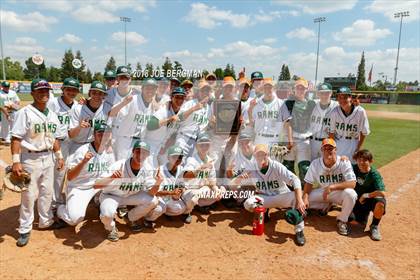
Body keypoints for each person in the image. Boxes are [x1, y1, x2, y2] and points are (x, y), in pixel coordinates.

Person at [11, 78, 67, 247]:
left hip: (48, 157)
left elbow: (55, 138)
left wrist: (59, 156)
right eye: (40, 90)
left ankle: (46, 221)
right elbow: (16, 138)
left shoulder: (51, 114)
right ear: (33, 93)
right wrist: (16, 162)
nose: (44, 93)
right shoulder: (25, 112)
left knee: (47, 192)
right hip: (30, 158)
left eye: (46, 91)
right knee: (28, 195)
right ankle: (24, 228)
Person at [236, 144, 306, 246]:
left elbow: (295, 179)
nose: (260, 157)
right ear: (254, 157)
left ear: (267, 155)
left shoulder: (276, 166)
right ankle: (264, 212)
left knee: (297, 197)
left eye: (263, 154)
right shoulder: (251, 167)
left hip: (282, 197)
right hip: (265, 199)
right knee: (248, 203)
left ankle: (299, 230)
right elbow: (234, 184)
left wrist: (299, 200)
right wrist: (240, 178)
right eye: (258, 155)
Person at [94, 141, 161, 241]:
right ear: (133, 152)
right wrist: (112, 177)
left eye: (144, 153)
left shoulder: (147, 169)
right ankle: (111, 228)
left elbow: (151, 193)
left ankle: (129, 218)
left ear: (147, 155)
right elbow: (96, 185)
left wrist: (158, 182)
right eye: (138, 151)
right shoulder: (119, 165)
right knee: (107, 214)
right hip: (111, 196)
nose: (141, 155)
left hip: (129, 197)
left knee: (153, 200)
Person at [56, 123, 115, 227]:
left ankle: (98, 203)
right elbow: (69, 176)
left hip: (97, 187)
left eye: (106, 134)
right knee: (74, 219)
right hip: (79, 187)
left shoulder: (109, 152)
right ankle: (60, 208)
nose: (103, 137)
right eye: (100, 134)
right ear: (94, 135)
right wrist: (83, 162)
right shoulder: (82, 151)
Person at [302, 138, 357, 236]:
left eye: (331, 148)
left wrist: (332, 187)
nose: (328, 150)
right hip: (323, 193)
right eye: (325, 148)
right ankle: (324, 206)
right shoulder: (315, 163)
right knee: (298, 197)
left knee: (351, 194)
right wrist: (305, 198)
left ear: (336, 150)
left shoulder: (344, 162)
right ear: (322, 151)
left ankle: (342, 221)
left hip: (339, 193)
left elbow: (352, 183)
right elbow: (309, 183)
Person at [47, 77, 80, 209]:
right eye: (68, 89)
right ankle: (55, 204)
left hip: (74, 142)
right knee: (59, 174)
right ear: (63, 89)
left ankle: (71, 197)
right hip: (59, 142)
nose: (71, 92)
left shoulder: (78, 105)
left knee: (74, 170)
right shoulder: (53, 103)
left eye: (74, 90)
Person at [108, 78, 155, 161]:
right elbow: (111, 113)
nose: (150, 90)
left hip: (140, 142)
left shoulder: (153, 105)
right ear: (142, 88)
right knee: (121, 167)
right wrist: (123, 103)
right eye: (147, 87)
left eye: (153, 88)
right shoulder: (132, 99)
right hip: (125, 140)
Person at [182, 133, 226, 222]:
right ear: (197, 146)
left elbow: (212, 182)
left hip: (201, 189)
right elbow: (186, 176)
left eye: (207, 144)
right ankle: (186, 212)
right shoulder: (192, 160)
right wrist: (200, 169)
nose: (204, 147)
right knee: (194, 196)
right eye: (202, 145)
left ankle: (199, 206)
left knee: (221, 190)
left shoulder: (210, 161)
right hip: (189, 190)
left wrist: (216, 191)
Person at [283, 79, 315, 184]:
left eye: (303, 88)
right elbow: (288, 122)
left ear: (306, 89)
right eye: (298, 87)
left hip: (304, 139)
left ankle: (303, 191)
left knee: (305, 168)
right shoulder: (288, 103)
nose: (300, 90)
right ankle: (292, 188)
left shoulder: (311, 104)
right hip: (290, 138)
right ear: (294, 89)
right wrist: (290, 140)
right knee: (287, 167)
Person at [146, 145, 187, 223]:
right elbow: (154, 192)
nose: (177, 159)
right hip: (158, 198)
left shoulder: (181, 170)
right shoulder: (159, 170)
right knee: (160, 208)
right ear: (168, 157)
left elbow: (182, 186)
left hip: (170, 198)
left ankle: (166, 213)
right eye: (174, 157)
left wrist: (178, 192)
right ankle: (148, 218)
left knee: (180, 208)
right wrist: (171, 192)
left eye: (180, 157)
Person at [351, 149, 386, 241]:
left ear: (370, 161)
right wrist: (343, 158)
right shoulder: (354, 168)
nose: (361, 162)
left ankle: (374, 226)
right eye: (359, 159)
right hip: (359, 202)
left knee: (380, 202)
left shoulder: (374, 174)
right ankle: (362, 217)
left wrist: (365, 195)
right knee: (353, 222)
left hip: (370, 201)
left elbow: (382, 192)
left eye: (365, 160)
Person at [145, 87, 186, 165]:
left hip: (163, 147)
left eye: (182, 97)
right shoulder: (164, 110)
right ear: (171, 97)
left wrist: (166, 146)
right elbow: (150, 125)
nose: (179, 99)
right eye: (177, 97)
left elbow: (174, 134)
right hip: (151, 145)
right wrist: (169, 119)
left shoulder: (181, 112)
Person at [328, 86, 370, 161]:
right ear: (337, 99)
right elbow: (331, 133)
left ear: (350, 97)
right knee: (337, 169)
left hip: (353, 143)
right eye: (340, 97)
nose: (342, 100)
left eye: (345, 97)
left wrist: (358, 148)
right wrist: (332, 149)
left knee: (351, 169)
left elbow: (363, 133)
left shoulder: (360, 112)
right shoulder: (334, 112)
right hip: (339, 143)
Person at [248, 78, 290, 150]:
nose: (268, 89)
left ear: (274, 88)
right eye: (265, 87)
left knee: (273, 161)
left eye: (270, 87)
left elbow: (287, 123)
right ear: (262, 88)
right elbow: (251, 122)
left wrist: (288, 140)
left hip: (275, 140)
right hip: (259, 139)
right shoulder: (256, 103)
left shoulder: (281, 103)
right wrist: (250, 109)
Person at [68, 81, 108, 155]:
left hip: (95, 147)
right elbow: (71, 135)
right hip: (77, 146)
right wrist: (79, 127)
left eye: (100, 93)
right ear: (89, 93)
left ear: (104, 95)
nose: (97, 96)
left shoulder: (106, 110)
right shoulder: (78, 109)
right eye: (94, 93)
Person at [175, 80, 211, 160]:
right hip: (184, 139)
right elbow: (178, 119)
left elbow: (205, 127)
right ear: (198, 92)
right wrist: (193, 109)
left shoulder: (209, 108)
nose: (206, 92)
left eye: (207, 90)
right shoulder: (190, 103)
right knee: (178, 165)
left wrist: (211, 124)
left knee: (191, 169)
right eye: (203, 90)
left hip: (198, 144)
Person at [308, 82, 338, 160]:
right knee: (311, 168)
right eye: (322, 93)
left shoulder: (337, 106)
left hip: (327, 142)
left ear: (331, 93)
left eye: (326, 93)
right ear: (318, 94)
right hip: (312, 141)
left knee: (326, 167)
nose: (324, 95)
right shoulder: (312, 104)